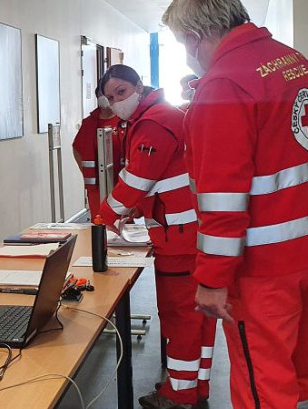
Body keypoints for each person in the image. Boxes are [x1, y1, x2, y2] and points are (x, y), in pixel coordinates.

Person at [163, 0, 308, 408]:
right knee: (293, 366)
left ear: (193, 37)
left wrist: (211, 280)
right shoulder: (294, 62)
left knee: (261, 378)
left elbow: (222, 201)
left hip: (265, 265)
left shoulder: (224, 86)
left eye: (181, 43)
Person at [97, 64, 215, 409]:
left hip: (178, 239)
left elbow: (138, 177)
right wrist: (141, 207)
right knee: (198, 317)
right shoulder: (161, 114)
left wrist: (105, 217)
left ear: (138, 86)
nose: (117, 101)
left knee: (180, 315)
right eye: (111, 97)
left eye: (122, 92)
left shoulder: (152, 122)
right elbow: (163, 176)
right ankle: (196, 387)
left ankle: (178, 394)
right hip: (192, 232)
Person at [72, 89, 123, 221]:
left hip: (120, 180)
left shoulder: (123, 119)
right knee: (100, 219)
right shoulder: (89, 123)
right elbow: (77, 148)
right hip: (97, 184)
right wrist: (86, 172)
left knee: (123, 218)